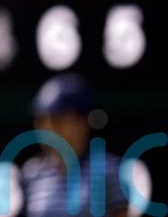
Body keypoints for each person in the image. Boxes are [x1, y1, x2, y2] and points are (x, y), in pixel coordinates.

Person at [21, 72, 129, 217]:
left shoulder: (111, 170)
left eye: (57, 121)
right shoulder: (31, 173)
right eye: (41, 122)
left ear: (82, 123)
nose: (47, 130)